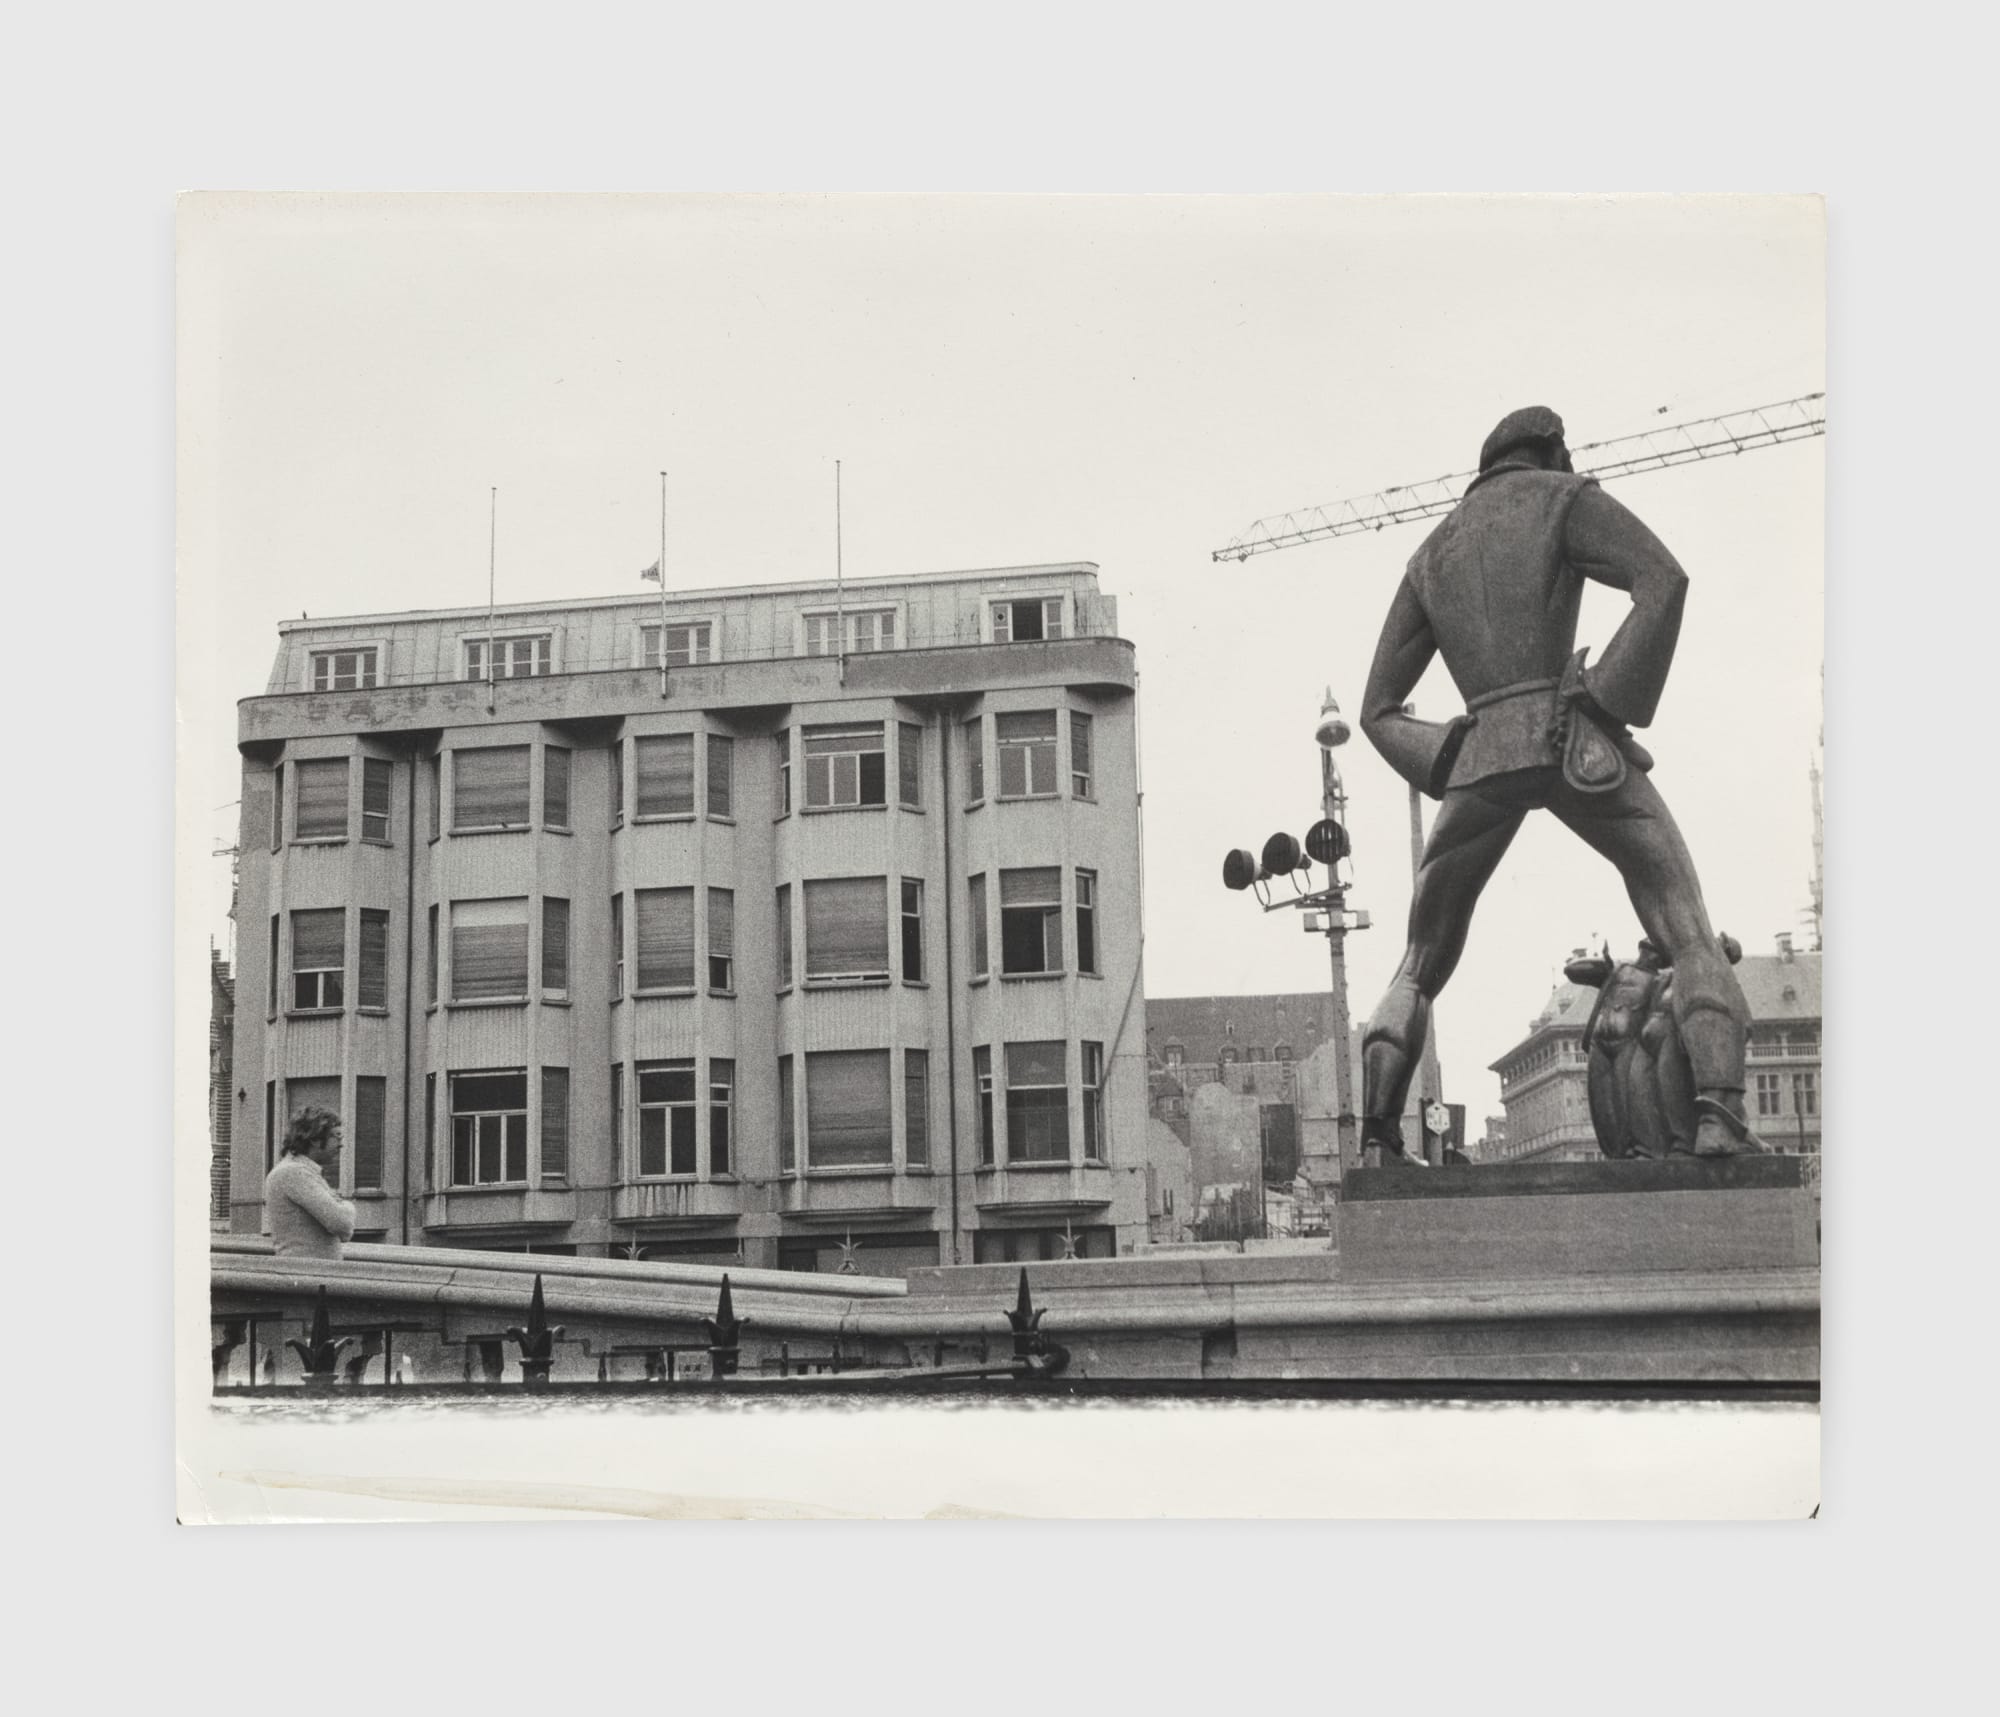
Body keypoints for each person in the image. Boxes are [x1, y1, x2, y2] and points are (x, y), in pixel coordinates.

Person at [1357, 406, 1757, 1164]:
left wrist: (1447, 754)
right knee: (1685, 923)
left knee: (1420, 959)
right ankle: (1715, 1113)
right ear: (1549, 450)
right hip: (1575, 742)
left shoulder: (1431, 553)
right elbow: (1662, 580)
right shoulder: (1562, 498)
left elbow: (1377, 708)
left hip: (1480, 759)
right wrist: (1606, 697)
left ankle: (1377, 1138)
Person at [263, 1104, 358, 1259]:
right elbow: (343, 1224)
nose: (341, 1144)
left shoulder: (300, 1171)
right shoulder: (294, 1173)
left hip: (311, 1274)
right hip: (308, 1275)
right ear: (314, 1138)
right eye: (337, 1136)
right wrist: (348, 1206)